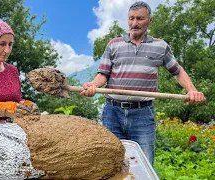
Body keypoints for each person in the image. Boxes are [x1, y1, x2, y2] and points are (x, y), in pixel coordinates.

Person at [80, 1, 205, 166]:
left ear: (149, 21)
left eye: (140, 18)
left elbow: (178, 71)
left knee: (143, 163)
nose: (135, 23)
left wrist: (192, 90)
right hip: (112, 113)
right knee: (111, 163)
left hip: (143, 115)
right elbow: (103, 74)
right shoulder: (114, 44)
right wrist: (93, 85)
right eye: (131, 18)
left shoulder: (160, 46)